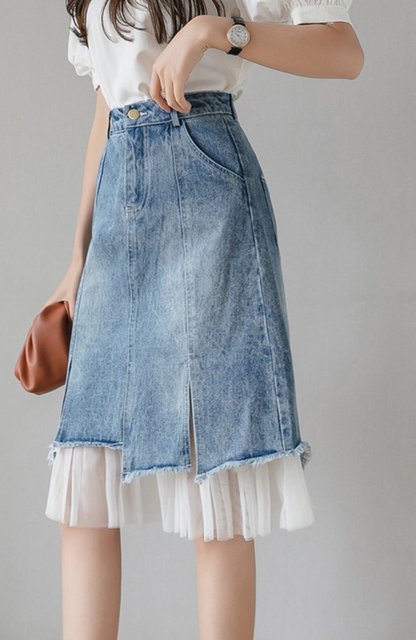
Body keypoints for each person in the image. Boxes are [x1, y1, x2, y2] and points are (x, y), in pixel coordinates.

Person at [42, 1, 364, 638]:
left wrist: (216, 32)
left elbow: (344, 53)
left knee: (216, 476)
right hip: (118, 206)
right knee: (86, 485)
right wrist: (77, 259)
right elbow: (107, 107)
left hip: (209, 188)